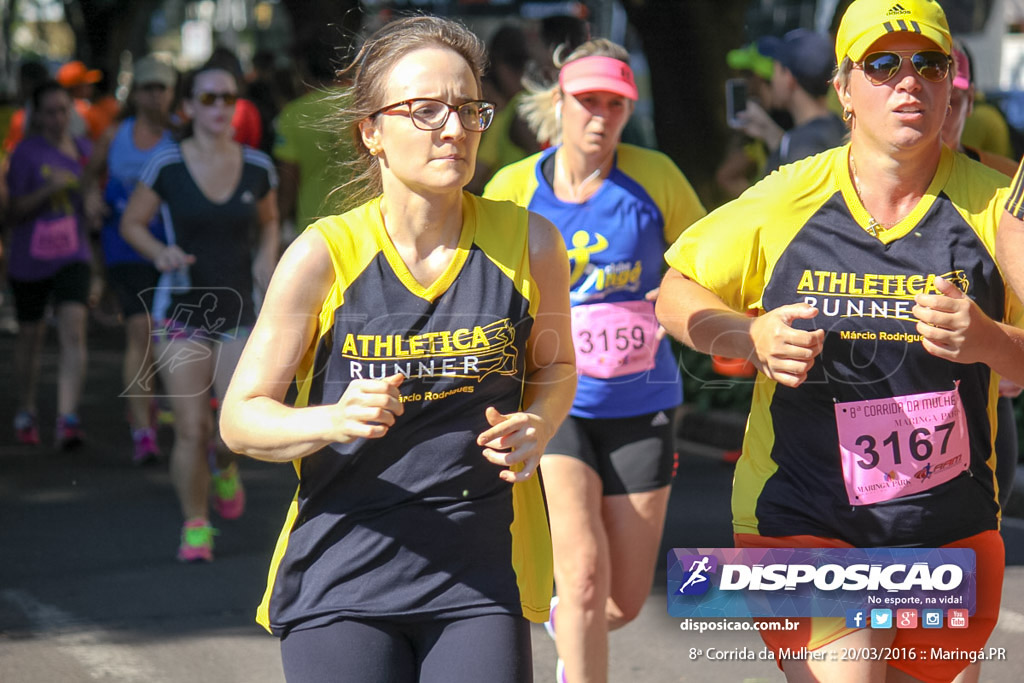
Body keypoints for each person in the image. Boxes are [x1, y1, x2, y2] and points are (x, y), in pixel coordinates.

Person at [657, 1, 1021, 681]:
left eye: (929, 64)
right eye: (882, 65)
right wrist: (749, 331)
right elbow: (675, 292)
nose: (908, 81)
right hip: (801, 510)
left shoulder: (998, 205)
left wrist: (992, 340)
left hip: (943, 528)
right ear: (845, 91)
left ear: (951, 84)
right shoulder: (787, 198)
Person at [217, 16, 576, 683]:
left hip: (477, 580)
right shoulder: (324, 254)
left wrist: (542, 422)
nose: (454, 127)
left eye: (468, 108)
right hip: (343, 577)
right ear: (371, 131)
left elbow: (554, 365)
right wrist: (331, 419)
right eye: (425, 110)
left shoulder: (531, 242)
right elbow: (241, 416)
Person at [485, 39, 706, 683]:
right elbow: (485, 286)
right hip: (558, 403)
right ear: (559, 102)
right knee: (581, 574)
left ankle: (571, 629)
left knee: (621, 600)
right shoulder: (512, 187)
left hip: (643, 400)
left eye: (615, 103)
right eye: (587, 101)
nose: (601, 117)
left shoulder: (655, 176)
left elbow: (702, 264)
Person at [120, 60, 279, 562]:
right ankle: (195, 524)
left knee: (232, 430)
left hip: (240, 310)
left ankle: (225, 467)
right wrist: (158, 253)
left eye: (227, 98)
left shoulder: (259, 167)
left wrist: (265, 260)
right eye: (207, 98)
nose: (219, 107)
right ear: (187, 107)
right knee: (191, 428)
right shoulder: (166, 165)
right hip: (181, 310)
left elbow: (271, 222)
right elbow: (132, 223)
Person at [7, 81, 102, 448]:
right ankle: (27, 407)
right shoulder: (25, 154)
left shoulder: (83, 151)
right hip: (30, 260)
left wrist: (92, 205)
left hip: (73, 255)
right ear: (37, 115)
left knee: (73, 330)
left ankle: (68, 417)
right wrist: (50, 189)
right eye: (50, 111)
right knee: (31, 336)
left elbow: (92, 196)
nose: (58, 118)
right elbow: (12, 211)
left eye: (64, 110)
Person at [95, 55, 177, 464]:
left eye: (162, 88)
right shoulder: (116, 134)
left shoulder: (181, 136)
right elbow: (91, 176)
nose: (155, 96)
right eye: (148, 88)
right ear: (136, 93)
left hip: (172, 253)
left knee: (165, 337)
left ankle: (160, 407)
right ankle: (142, 430)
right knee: (139, 331)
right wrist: (93, 199)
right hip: (125, 247)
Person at [755, 29, 846, 175]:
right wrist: (767, 131)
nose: (772, 80)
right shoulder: (839, 126)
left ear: (789, 78)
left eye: (776, 70)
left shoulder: (802, 146)